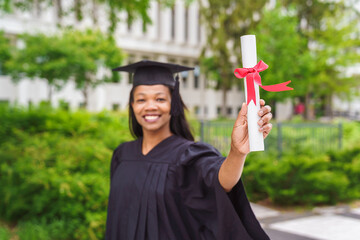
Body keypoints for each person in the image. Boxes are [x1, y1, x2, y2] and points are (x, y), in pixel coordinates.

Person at [106, 60, 272, 240]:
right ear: (132, 105)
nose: (150, 106)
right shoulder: (122, 155)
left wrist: (237, 153)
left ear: (174, 103)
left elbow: (220, 180)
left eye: (160, 99)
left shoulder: (188, 156)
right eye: (141, 99)